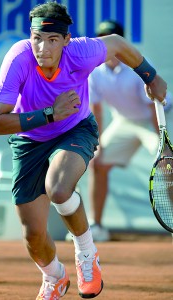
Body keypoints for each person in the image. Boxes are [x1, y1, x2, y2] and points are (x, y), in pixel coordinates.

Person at [0, 2, 167, 299]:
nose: (43, 48)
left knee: (58, 188)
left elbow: (118, 45)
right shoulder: (18, 58)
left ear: (66, 40)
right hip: (30, 140)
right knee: (33, 235)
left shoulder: (82, 52)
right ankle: (54, 276)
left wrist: (151, 76)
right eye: (37, 38)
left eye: (52, 40)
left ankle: (86, 255)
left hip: (75, 129)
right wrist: (49, 114)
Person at [88, 20, 172, 242]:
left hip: (155, 116)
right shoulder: (95, 72)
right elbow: (96, 110)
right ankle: (96, 226)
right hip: (124, 121)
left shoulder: (138, 65)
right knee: (97, 163)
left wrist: (163, 144)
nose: (106, 42)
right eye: (102, 37)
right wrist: (97, 145)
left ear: (121, 42)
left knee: (168, 165)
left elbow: (151, 107)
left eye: (111, 37)